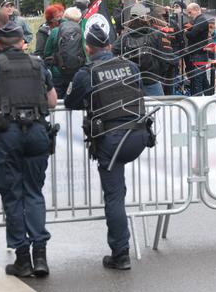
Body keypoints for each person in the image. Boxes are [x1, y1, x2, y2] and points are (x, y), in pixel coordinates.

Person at [65, 23, 151, 271]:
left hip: (112, 139)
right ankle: (122, 247)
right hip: (138, 136)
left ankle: (121, 253)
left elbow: (70, 102)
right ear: (110, 46)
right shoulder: (131, 66)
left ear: (88, 48)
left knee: (114, 196)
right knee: (119, 191)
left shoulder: (87, 72)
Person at [0, 22, 58, 277]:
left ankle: (22, 258)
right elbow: (53, 100)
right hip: (37, 132)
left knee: (13, 195)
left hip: (9, 133)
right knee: (34, 192)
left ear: (0, 44)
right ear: (23, 42)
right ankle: (41, 257)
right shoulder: (38, 64)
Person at [114, 3, 170, 97]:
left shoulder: (124, 37)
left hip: (131, 82)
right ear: (146, 16)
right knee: (159, 110)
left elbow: (112, 54)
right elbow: (166, 58)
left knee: (133, 110)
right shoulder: (156, 34)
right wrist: (158, 74)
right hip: (152, 81)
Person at [43, 6, 85, 99]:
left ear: (65, 17)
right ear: (78, 20)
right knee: (74, 100)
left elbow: (46, 53)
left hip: (58, 73)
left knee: (58, 102)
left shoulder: (55, 31)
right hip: (76, 73)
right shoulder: (81, 31)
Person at [181, 3, 213, 96]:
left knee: (197, 80)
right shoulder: (199, 20)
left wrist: (186, 31)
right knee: (202, 79)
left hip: (199, 54)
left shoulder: (201, 20)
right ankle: (209, 96)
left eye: (190, 12)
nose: (189, 15)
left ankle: (198, 99)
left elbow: (192, 35)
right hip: (197, 54)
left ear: (196, 10)